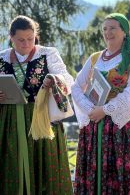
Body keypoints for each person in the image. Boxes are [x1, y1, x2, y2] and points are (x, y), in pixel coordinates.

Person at [71, 13, 130, 194]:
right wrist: (91, 109)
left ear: (125, 32)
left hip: (123, 125)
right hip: (95, 123)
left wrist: (106, 110)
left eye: (113, 28)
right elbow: (76, 87)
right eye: (105, 28)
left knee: (126, 174)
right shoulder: (95, 58)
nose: (108, 32)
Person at [0, 15, 74, 194]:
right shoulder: (2, 57)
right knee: (12, 164)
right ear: (11, 37)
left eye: (30, 39)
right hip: (9, 121)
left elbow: (69, 81)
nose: (26, 44)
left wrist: (54, 80)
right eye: (20, 40)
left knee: (43, 167)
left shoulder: (48, 54)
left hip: (41, 118)